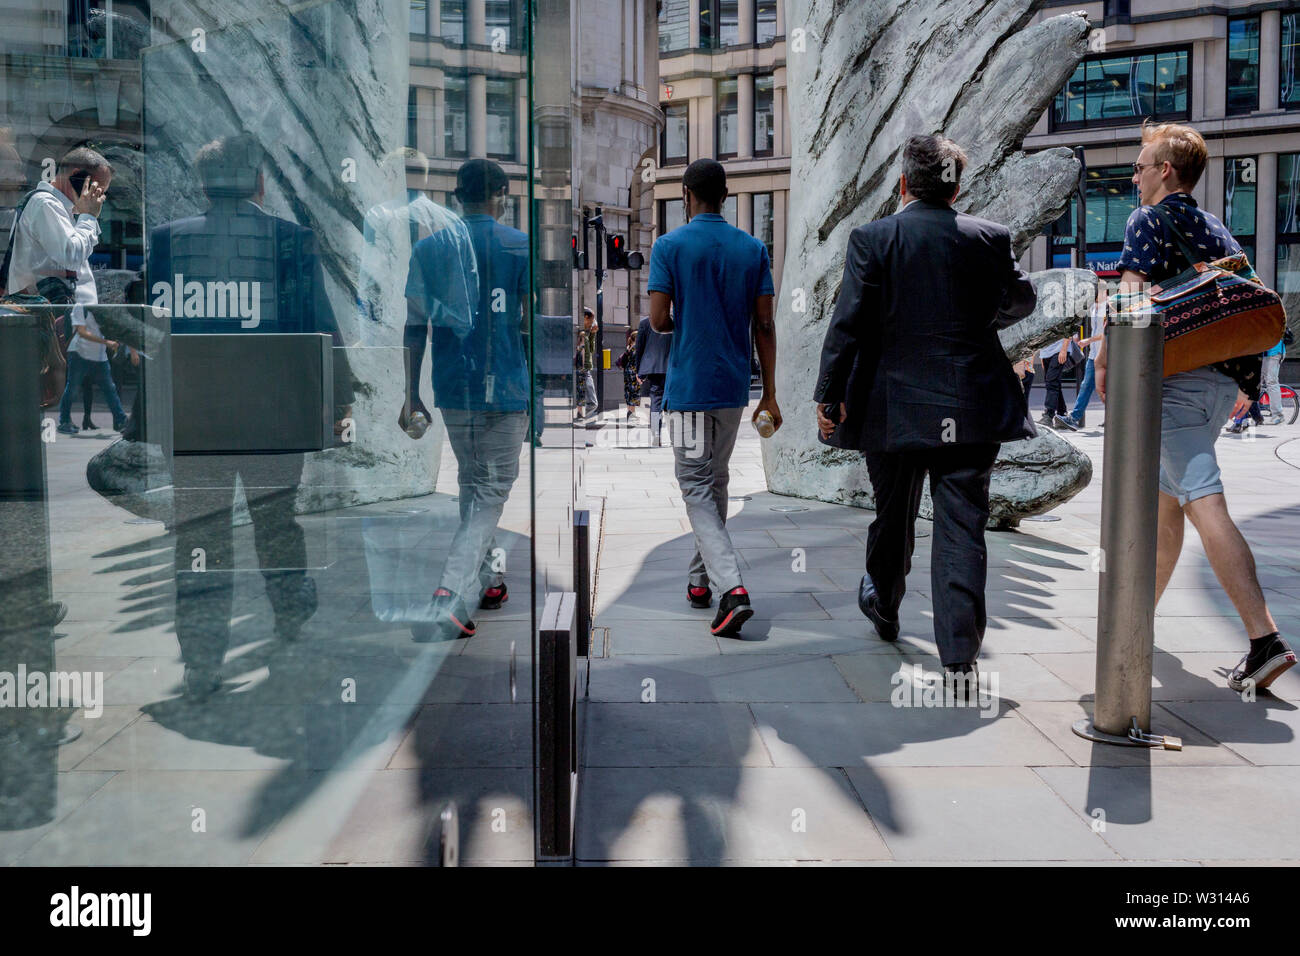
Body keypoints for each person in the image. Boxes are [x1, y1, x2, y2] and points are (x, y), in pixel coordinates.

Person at [814, 134, 1036, 683]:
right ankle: (959, 656)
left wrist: (828, 394)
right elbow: (1021, 300)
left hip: (891, 407)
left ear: (903, 184)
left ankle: (884, 603)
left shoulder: (873, 238)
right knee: (963, 525)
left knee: (894, 515)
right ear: (957, 187)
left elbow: (848, 324)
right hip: (971, 403)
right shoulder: (989, 237)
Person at [148, 133, 356, 701]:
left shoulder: (168, 240)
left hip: (197, 421)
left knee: (199, 543)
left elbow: (157, 334)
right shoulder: (290, 239)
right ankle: (291, 622)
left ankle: (201, 663)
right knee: (277, 527)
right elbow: (320, 325)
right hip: (273, 417)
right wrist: (341, 399)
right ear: (259, 181)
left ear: (204, 184)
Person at [1096, 120, 1294, 693]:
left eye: (1139, 165)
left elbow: (1130, 300)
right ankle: (1138, 618)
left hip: (1174, 388)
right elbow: (1243, 309)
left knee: (1204, 502)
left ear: (1165, 170)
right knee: (1165, 512)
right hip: (1215, 388)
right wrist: (1243, 388)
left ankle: (1265, 639)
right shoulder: (1215, 228)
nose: (1133, 175)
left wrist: (1105, 364)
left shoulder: (1147, 219)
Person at [648, 157, 781, 636]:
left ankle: (733, 589)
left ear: (686, 195)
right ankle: (699, 580)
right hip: (731, 389)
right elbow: (764, 324)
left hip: (686, 390)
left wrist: (689, 313)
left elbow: (659, 320)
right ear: (725, 196)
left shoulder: (669, 246)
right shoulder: (752, 248)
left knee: (696, 486)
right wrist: (770, 393)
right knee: (715, 481)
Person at [412, 158, 530, 638]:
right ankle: (450, 591)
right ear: (501, 194)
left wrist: (409, 395)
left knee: (472, 482)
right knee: (491, 491)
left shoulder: (431, 247)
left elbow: (414, 324)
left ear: (457, 196)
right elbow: (530, 323)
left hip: (452, 386)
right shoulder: (519, 245)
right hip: (505, 384)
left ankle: (488, 579)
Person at [3, 146, 131, 434]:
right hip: (40, 322)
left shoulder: (58, 209)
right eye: (97, 188)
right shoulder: (46, 206)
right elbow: (70, 254)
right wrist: (90, 218)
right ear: (77, 177)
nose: (100, 197)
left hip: (52, 323)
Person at [1055, 282, 1108, 431]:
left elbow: (1107, 332)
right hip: (1093, 354)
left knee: (1106, 388)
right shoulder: (1093, 307)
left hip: (1107, 355)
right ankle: (1074, 418)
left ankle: (1113, 418)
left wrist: (1088, 340)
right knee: (1086, 385)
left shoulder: (1109, 307)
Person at [633, 313, 671, 444]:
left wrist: (639, 370)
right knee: (675, 401)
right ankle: (677, 436)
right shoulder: (676, 321)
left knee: (656, 401)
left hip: (654, 368)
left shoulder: (645, 323)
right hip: (673, 367)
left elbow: (639, 348)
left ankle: (656, 436)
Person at [575, 307, 598, 422]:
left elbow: (592, 351)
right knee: (591, 400)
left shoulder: (586, 333)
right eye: (591, 320)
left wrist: (593, 334)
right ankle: (581, 413)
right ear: (585, 318)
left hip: (585, 368)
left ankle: (580, 413)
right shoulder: (582, 334)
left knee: (582, 391)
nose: (591, 323)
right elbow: (582, 351)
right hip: (583, 368)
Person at [615, 326, 641, 419]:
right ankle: (631, 413)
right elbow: (637, 361)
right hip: (633, 372)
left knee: (628, 391)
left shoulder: (629, 347)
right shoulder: (636, 348)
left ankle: (629, 411)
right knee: (634, 391)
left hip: (627, 372)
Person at [1261, 334, 1287, 426]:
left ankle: (1278, 415)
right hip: (1264, 353)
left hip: (1274, 352)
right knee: (1256, 383)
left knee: (1271, 382)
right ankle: (1254, 413)